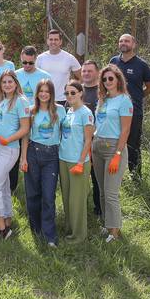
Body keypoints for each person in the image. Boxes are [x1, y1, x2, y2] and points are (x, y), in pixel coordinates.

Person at [0, 70, 31, 239]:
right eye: (4, 82)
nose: (7, 85)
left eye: (10, 82)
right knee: (2, 185)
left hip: (9, 148)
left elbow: (25, 129)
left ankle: (1, 229)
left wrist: (8, 139)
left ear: (16, 83)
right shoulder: (2, 100)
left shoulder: (21, 101)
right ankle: (7, 220)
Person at [21, 79, 64, 247]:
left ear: (52, 93)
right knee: (32, 194)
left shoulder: (60, 110)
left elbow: (67, 132)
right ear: (37, 93)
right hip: (33, 153)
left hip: (52, 155)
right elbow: (25, 136)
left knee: (48, 195)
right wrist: (23, 158)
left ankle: (50, 235)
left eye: (47, 91)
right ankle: (35, 229)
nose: (44, 94)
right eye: (41, 91)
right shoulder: (32, 111)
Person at [93, 64, 133, 242]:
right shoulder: (103, 98)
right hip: (97, 145)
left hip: (113, 148)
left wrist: (117, 154)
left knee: (111, 193)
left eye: (111, 78)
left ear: (118, 80)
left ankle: (115, 233)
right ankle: (107, 225)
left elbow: (125, 131)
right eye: (104, 79)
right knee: (101, 191)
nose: (107, 81)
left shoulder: (124, 100)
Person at [110, 34, 150, 179]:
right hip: (113, 110)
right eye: (121, 41)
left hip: (133, 111)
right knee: (114, 141)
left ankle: (135, 176)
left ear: (133, 44)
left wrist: (137, 96)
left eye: (126, 41)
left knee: (133, 144)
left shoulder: (141, 65)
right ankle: (114, 172)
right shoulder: (114, 61)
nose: (123, 43)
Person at [59, 81, 94, 244]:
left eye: (73, 92)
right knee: (66, 198)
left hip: (78, 161)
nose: (69, 96)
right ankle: (69, 229)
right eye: (67, 93)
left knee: (77, 200)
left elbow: (88, 140)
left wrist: (81, 161)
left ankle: (78, 236)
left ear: (81, 93)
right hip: (63, 159)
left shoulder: (85, 113)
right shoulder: (69, 111)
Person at [80, 60, 103, 217]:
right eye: (84, 71)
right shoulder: (76, 90)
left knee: (97, 178)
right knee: (80, 177)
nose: (86, 74)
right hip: (77, 141)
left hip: (97, 141)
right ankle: (79, 208)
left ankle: (99, 210)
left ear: (97, 72)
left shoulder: (102, 91)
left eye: (90, 71)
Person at [36, 30, 81, 106]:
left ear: (60, 42)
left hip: (64, 100)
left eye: (56, 39)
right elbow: (35, 78)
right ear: (47, 41)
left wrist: (74, 92)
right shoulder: (40, 58)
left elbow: (81, 76)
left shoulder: (69, 58)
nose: (53, 42)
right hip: (44, 99)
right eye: (51, 39)